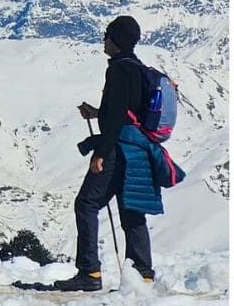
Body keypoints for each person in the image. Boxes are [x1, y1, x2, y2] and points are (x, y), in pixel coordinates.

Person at [57, 16, 159, 292]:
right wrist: (95, 113)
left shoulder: (117, 70)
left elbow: (115, 116)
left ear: (116, 40)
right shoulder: (137, 69)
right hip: (137, 149)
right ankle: (143, 275)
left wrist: (100, 153)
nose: (104, 40)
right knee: (131, 209)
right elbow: (128, 112)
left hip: (116, 149)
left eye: (107, 35)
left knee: (86, 204)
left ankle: (89, 272)